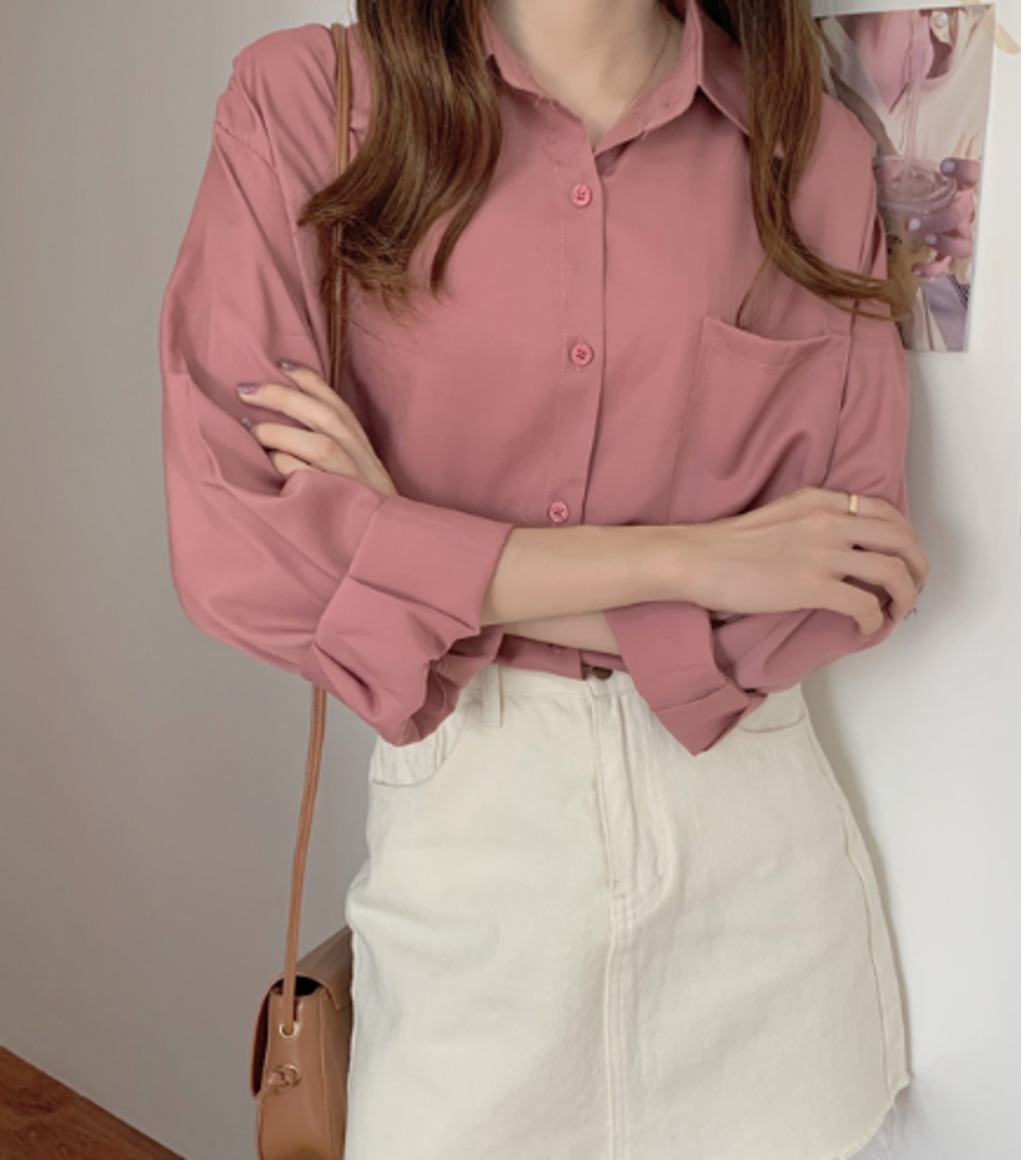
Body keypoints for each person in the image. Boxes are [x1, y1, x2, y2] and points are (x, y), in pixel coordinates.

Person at [158, 1, 928, 1157]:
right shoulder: (312, 105)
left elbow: (834, 588)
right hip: (472, 839)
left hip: (757, 872)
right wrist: (694, 555)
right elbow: (242, 553)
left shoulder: (807, 148)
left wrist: (402, 545)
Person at [817, 7, 996, 351]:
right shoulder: (785, 38)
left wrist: (979, 222)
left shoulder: (986, 40)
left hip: (918, 346)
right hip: (805, 335)